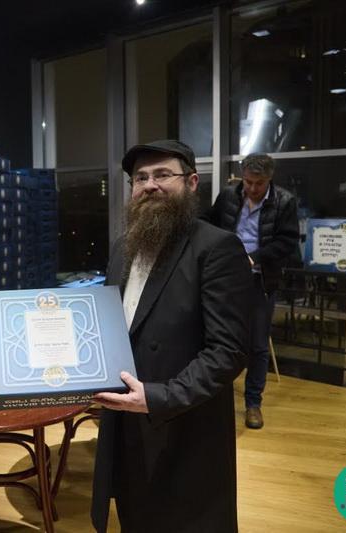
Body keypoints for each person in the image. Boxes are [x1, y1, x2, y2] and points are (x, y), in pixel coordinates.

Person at [90, 140, 253, 533]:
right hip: (126, 422)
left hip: (184, 422)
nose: (150, 185)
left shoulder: (216, 248)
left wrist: (160, 397)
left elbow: (228, 351)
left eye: (163, 174)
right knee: (135, 517)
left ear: (191, 182)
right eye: (141, 178)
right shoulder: (123, 248)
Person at [203, 153, 299, 429]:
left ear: (270, 179)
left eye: (259, 183)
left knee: (257, 345)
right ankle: (214, 400)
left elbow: (287, 242)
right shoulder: (228, 196)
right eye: (248, 182)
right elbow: (209, 224)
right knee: (218, 339)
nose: (253, 188)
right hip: (226, 281)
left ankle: (253, 403)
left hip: (260, 282)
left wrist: (253, 258)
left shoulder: (284, 201)